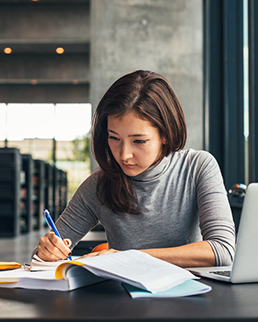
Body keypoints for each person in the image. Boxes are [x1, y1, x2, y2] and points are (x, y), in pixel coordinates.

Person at [35, 70, 236, 268]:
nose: (124, 155)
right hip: (124, 299)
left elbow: (223, 250)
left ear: (165, 135)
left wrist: (128, 257)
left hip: (192, 296)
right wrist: (45, 253)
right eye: (114, 138)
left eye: (139, 141)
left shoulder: (197, 167)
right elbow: (38, 261)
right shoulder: (97, 185)